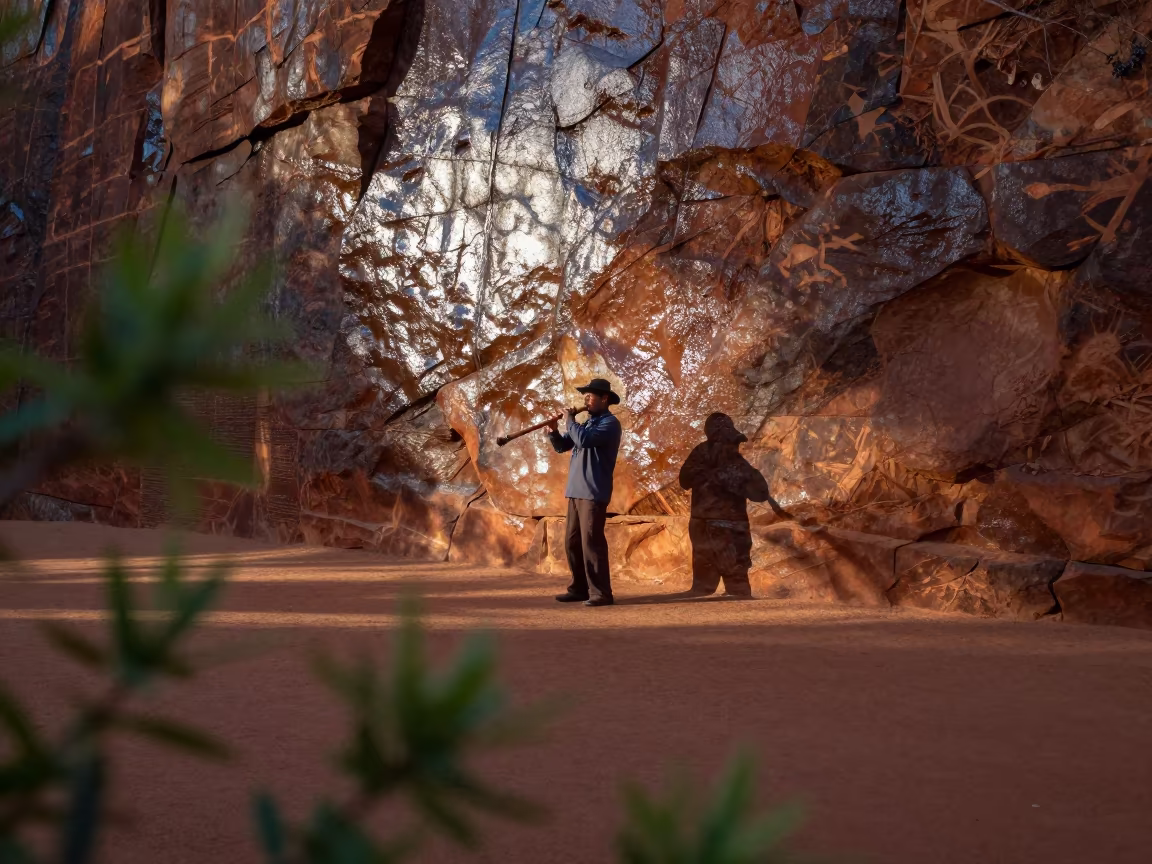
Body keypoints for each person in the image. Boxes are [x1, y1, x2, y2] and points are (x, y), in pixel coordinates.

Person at [546, 378, 623, 607]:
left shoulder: (609, 424)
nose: (586, 401)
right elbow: (563, 446)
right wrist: (553, 431)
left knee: (591, 542)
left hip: (593, 491)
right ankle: (579, 589)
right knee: (572, 542)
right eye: (585, 397)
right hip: (575, 491)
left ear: (604, 399)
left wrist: (569, 419)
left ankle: (601, 593)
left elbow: (584, 440)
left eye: (590, 397)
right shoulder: (588, 423)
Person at [678, 413, 772, 598]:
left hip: (717, 524)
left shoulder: (714, 456)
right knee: (722, 584)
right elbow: (760, 492)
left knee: (721, 584)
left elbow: (759, 492)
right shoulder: (723, 458)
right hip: (717, 524)